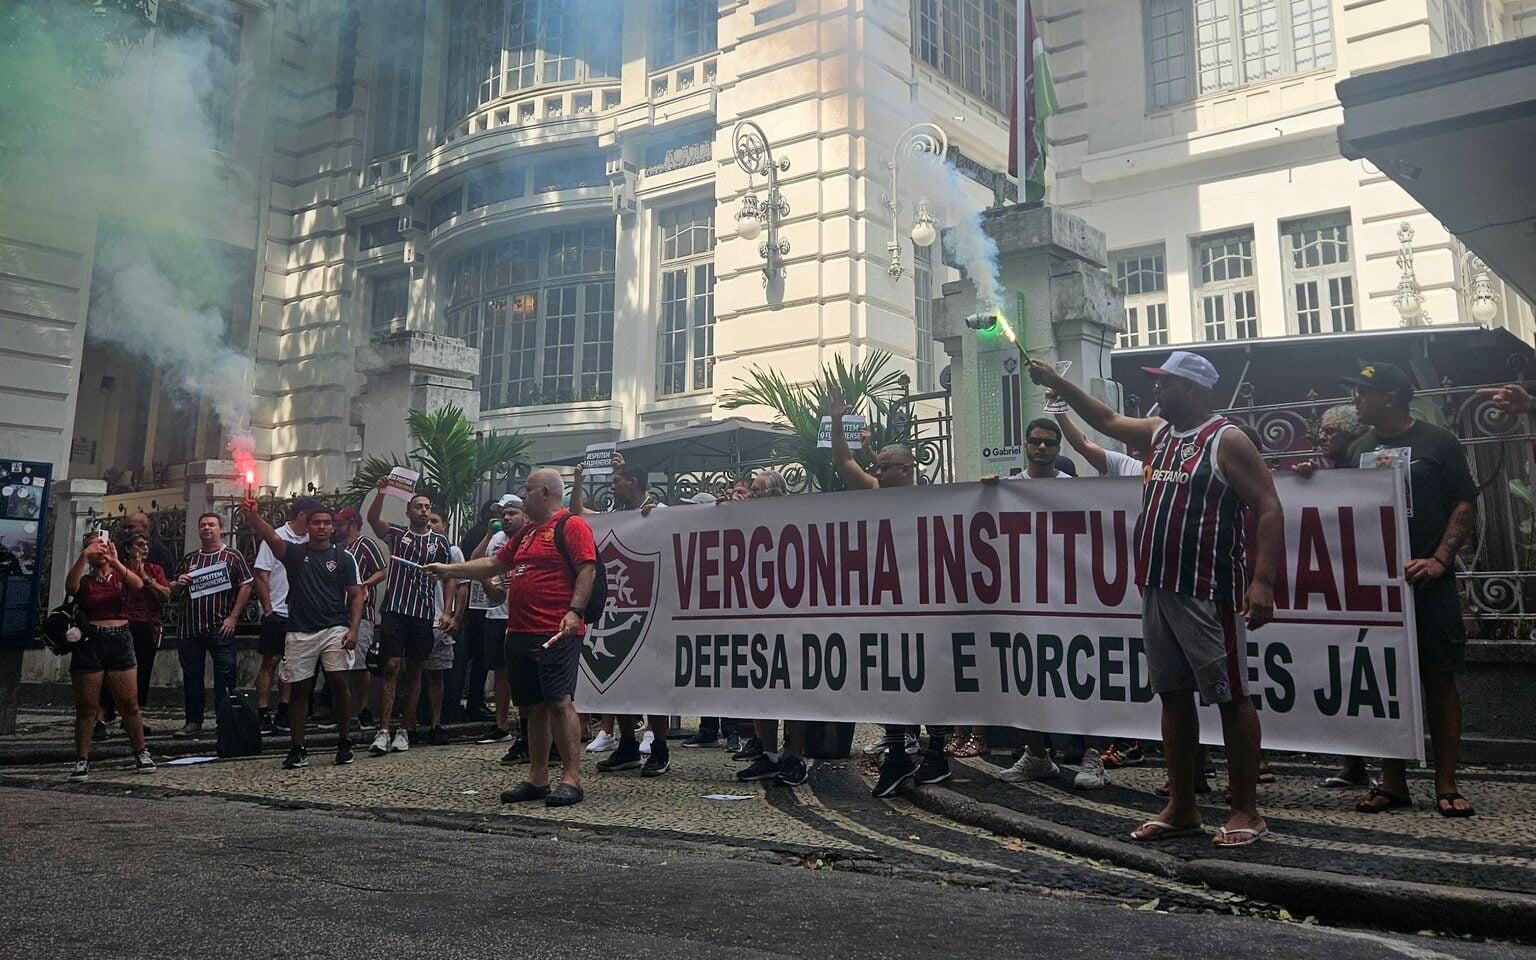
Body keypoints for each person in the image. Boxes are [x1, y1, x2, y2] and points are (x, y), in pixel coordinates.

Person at [1030, 351, 1282, 848]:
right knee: (1172, 695)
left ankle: (1245, 811)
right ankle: (1183, 807)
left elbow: (1269, 506)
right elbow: (1103, 419)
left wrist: (1264, 580)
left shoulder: (1226, 440)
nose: (1155, 393)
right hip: (1158, 585)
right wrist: (1059, 382)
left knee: (1230, 695)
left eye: (1163, 385)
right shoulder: (1159, 434)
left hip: (1208, 588)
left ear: (1190, 389)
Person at [1338, 362, 1479, 818]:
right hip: (1379, 589)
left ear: (1392, 397)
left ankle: (1446, 782)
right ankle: (1392, 782)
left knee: (1438, 678)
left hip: (1428, 584)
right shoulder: (1359, 447)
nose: (1356, 400)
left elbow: (1464, 502)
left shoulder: (1439, 443)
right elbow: (1342, 503)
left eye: (1364, 392)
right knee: (1387, 682)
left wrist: (1439, 559)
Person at [425, 468, 595, 808]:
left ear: (545, 493)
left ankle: (571, 778)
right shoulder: (528, 533)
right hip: (519, 630)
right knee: (531, 707)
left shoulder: (570, 526)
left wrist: (574, 610)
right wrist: (450, 570)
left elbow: (587, 568)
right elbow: (493, 563)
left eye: (527, 490)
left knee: (559, 701)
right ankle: (538, 776)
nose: (522, 495)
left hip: (554, 630)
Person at [828, 386, 952, 796]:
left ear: (907, 468)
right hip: (888, 602)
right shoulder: (876, 494)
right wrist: (835, 419)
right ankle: (898, 753)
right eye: (876, 467)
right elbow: (844, 462)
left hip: (928, 604)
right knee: (891, 679)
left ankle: (936, 753)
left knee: (932, 680)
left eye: (883, 467)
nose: (876, 473)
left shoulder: (937, 499)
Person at [981, 418, 1113, 789]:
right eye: (1035, 441)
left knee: (1084, 674)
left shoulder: (1075, 490)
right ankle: (1038, 755)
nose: (1042, 448)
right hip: (1024, 598)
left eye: (1049, 443)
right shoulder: (1008, 488)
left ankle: (1092, 756)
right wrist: (988, 492)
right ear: (1025, 445)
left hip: (1072, 598)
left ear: (1059, 449)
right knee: (1028, 676)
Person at [240, 499, 363, 768]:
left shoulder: (344, 557)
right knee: (299, 689)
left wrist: (353, 628)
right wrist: (253, 517)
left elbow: (356, 595)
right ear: (307, 526)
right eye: (316, 522)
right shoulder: (295, 553)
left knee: (339, 682)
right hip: (299, 630)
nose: (321, 527)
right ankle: (298, 747)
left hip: (335, 627)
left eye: (327, 523)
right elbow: (272, 538)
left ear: (333, 527)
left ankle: (344, 741)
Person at [571, 458, 673, 778]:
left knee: (653, 682)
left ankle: (659, 746)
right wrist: (577, 481)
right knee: (620, 679)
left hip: (652, 604)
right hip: (617, 604)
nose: (612, 485)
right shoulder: (612, 515)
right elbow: (578, 514)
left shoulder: (661, 510)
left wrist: (653, 518)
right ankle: (627, 746)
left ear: (634, 481)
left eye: (617, 480)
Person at [1293, 405, 1370, 789]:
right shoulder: (1325, 473)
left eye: (1331, 432)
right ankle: (1352, 763)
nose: (1322, 438)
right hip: (1334, 584)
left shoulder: (1365, 469)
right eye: (1321, 432)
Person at [727, 471, 810, 787]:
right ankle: (769, 754)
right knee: (761, 688)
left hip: (790, 615)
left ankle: (795, 757)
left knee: (792, 689)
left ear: (775, 495)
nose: (749, 495)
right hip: (755, 615)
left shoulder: (795, 518)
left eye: (756, 492)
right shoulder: (746, 518)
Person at [365, 482, 454, 755]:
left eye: (427, 507)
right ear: (408, 511)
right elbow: (372, 520)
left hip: (424, 613)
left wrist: (448, 610)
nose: (424, 511)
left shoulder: (439, 542)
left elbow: (448, 577)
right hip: (395, 609)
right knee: (391, 665)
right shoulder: (397, 534)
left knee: (415, 670)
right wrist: (380, 492)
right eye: (419, 506)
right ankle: (383, 729)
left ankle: (404, 730)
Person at [65, 532, 154, 780]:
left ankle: (141, 751)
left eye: (101, 546)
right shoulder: (84, 579)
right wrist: (84, 556)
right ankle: (81, 759)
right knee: (87, 706)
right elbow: (71, 588)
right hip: (90, 640)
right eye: (94, 547)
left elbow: (138, 586)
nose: (99, 551)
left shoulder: (119, 574)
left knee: (130, 704)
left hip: (120, 638)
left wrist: (114, 561)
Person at [169, 513, 254, 738]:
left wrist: (234, 617)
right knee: (191, 677)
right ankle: (193, 721)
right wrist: (178, 583)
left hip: (220, 625)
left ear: (220, 529)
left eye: (211, 524)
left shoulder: (232, 557)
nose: (206, 528)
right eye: (203, 524)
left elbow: (246, 585)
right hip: (190, 627)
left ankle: (225, 720)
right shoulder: (190, 559)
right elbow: (172, 589)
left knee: (225, 677)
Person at [253, 498, 319, 734]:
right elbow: (261, 573)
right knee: (270, 661)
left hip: (301, 612)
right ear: (301, 515)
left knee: (292, 663)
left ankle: (284, 709)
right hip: (278, 609)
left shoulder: (312, 540)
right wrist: (268, 608)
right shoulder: (277, 537)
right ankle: (262, 710)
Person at [472, 496, 530, 763]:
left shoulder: (531, 539)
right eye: (503, 514)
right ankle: (502, 724)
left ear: (525, 515)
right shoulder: (497, 541)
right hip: (497, 612)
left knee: (522, 675)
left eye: (512, 513)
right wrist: (487, 535)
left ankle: (526, 730)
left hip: (522, 616)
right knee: (500, 670)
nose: (506, 518)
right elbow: (477, 561)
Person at [111, 533, 171, 731]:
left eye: (146, 545)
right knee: (116, 671)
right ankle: (106, 714)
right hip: (124, 623)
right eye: (139, 545)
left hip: (147, 624)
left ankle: (136, 716)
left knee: (143, 672)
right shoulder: (119, 569)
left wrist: (146, 578)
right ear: (128, 549)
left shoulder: (154, 569)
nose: (144, 548)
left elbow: (165, 595)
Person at [334, 508, 387, 729]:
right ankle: (344, 712)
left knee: (360, 663)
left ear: (352, 523)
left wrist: (364, 584)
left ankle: (363, 709)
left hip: (362, 611)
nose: (336, 528)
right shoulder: (338, 548)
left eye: (340, 524)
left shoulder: (365, 544)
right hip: (338, 611)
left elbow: (382, 570)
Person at [419, 510, 466, 745]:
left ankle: (436, 722)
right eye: (428, 520)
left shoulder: (453, 551)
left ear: (445, 525)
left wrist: (455, 616)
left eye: (435, 521)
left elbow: (461, 586)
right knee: (415, 672)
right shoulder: (416, 547)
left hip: (440, 618)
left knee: (437, 673)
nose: (430, 524)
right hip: (418, 617)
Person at [458, 499, 503, 723]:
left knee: (478, 656)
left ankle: (472, 699)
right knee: (480, 655)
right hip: (478, 604)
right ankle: (474, 700)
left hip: (486, 602)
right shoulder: (481, 535)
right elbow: (474, 560)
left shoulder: (502, 536)